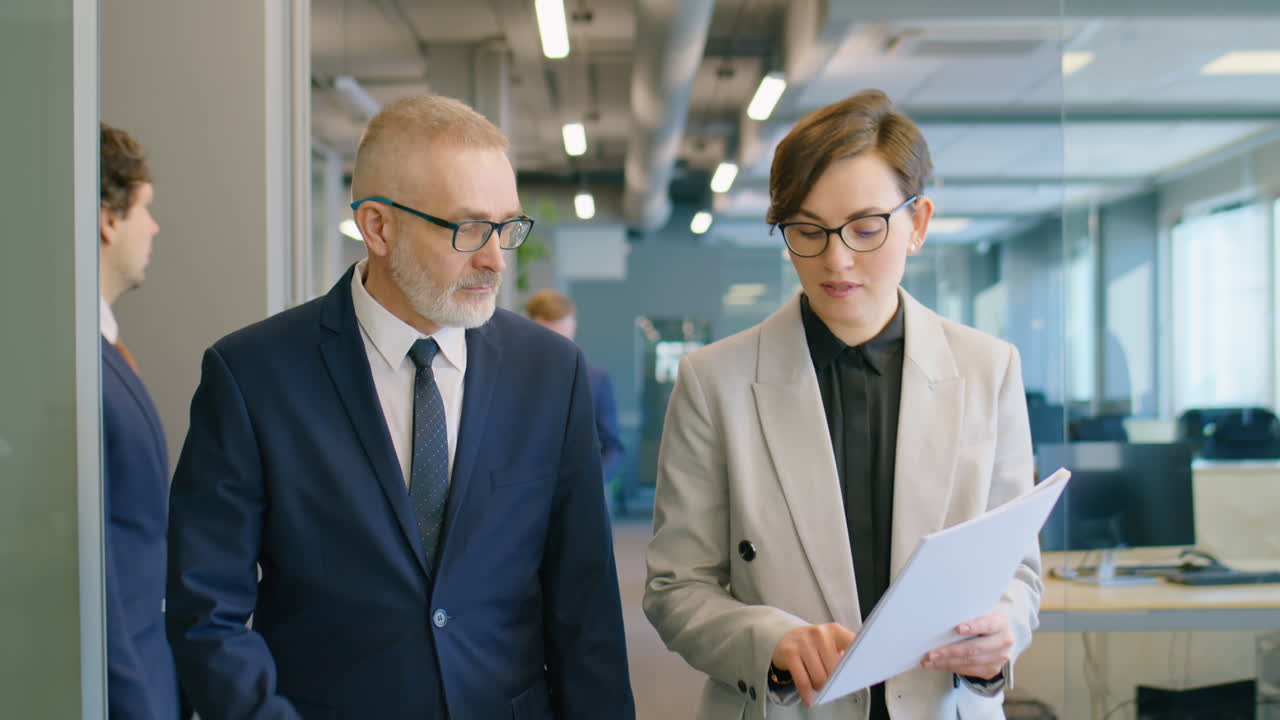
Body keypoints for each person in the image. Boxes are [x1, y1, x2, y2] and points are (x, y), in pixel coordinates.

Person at [166, 95, 635, 719]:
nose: (495, 258)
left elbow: (586, 607)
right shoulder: (254, 375)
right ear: (379, 227)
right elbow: (206, 609)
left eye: (508, 227)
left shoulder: (551, 373)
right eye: (468, 228)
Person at [643, 89, 1039, 720]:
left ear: (919, 224)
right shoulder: (713, 380)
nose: (836, 258)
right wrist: (770, 642)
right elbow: (675, 587)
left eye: (865, 226)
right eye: (807, 230)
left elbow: (1017, 570)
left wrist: (1005, 632)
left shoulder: (988, 369)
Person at [99, 122, 184, 719]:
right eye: (145, 210)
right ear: (108, 217)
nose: (153, 228)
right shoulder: (74, 371)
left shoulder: (101, 355)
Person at [525, 289, 625, 484]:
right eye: (549, 338)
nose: (557, 347)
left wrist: (592, 484)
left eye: (564, 338)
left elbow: (612, 446)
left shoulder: (596, 379)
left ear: (574, 328)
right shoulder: (509, 375)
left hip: (580, 492)